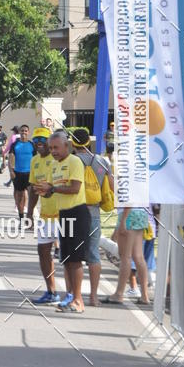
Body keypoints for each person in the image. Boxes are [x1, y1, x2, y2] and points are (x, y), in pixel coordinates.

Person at [35, 129, 90, 313]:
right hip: (63, 214)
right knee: (66, 260)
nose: (53, 151)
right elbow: (51, 189)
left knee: (75, 261)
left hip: (77, 213)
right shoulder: (55, 165)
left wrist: (53, 189)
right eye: (51, 148)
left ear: (67, 146)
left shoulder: (74, 162)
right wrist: (43, 190)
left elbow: (74, 188)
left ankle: (78, 300)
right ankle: (70, 297)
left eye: (56, 147)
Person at [69, 127, 113, 307]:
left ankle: (73, 295)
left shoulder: (70, 161)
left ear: (73, 143)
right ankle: (93, 297)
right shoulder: (102, 161)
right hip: (94, 213)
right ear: (88, 142)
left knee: (73, 256)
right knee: (94, 255)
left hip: (73, 211)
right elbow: (111, 185)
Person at [27, 127, 60, 305]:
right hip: (46, 215)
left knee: (69, 258)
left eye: (42, 139)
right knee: (43, 252)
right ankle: (51, 291)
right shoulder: (34, 161)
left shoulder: (57, 160)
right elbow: (33, 189)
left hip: (64, 214)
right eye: (36, 139)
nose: (39, 142)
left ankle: (71, 295)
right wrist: (29, 213)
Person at [103, 207, 150, 307]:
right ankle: (145, 296)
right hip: (141, 212)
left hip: (128, 214)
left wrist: (122, 221)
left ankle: (119, 293)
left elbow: (128, 199)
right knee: (138, 257)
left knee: (125, 256)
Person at [8, 125, 34, 220]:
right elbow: (11, 158)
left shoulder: (32, 144)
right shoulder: (15, 145)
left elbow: (36, 160)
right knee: (20, 197)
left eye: (26, 131)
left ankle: (30, 217)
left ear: (28, 132)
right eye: (22, 131)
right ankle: (21, 218)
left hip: (30, 174)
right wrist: (11, 171)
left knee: (32, 196)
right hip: (18, 174)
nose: (24, 132)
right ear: (19, 132)